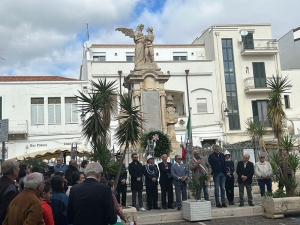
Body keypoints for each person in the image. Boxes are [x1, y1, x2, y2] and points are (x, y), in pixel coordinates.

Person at [0, 159, 19, 224]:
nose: (19, 169)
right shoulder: (10, 189)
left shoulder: (2, 183)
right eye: (17, 167)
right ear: (13, 171)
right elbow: (6, 212)